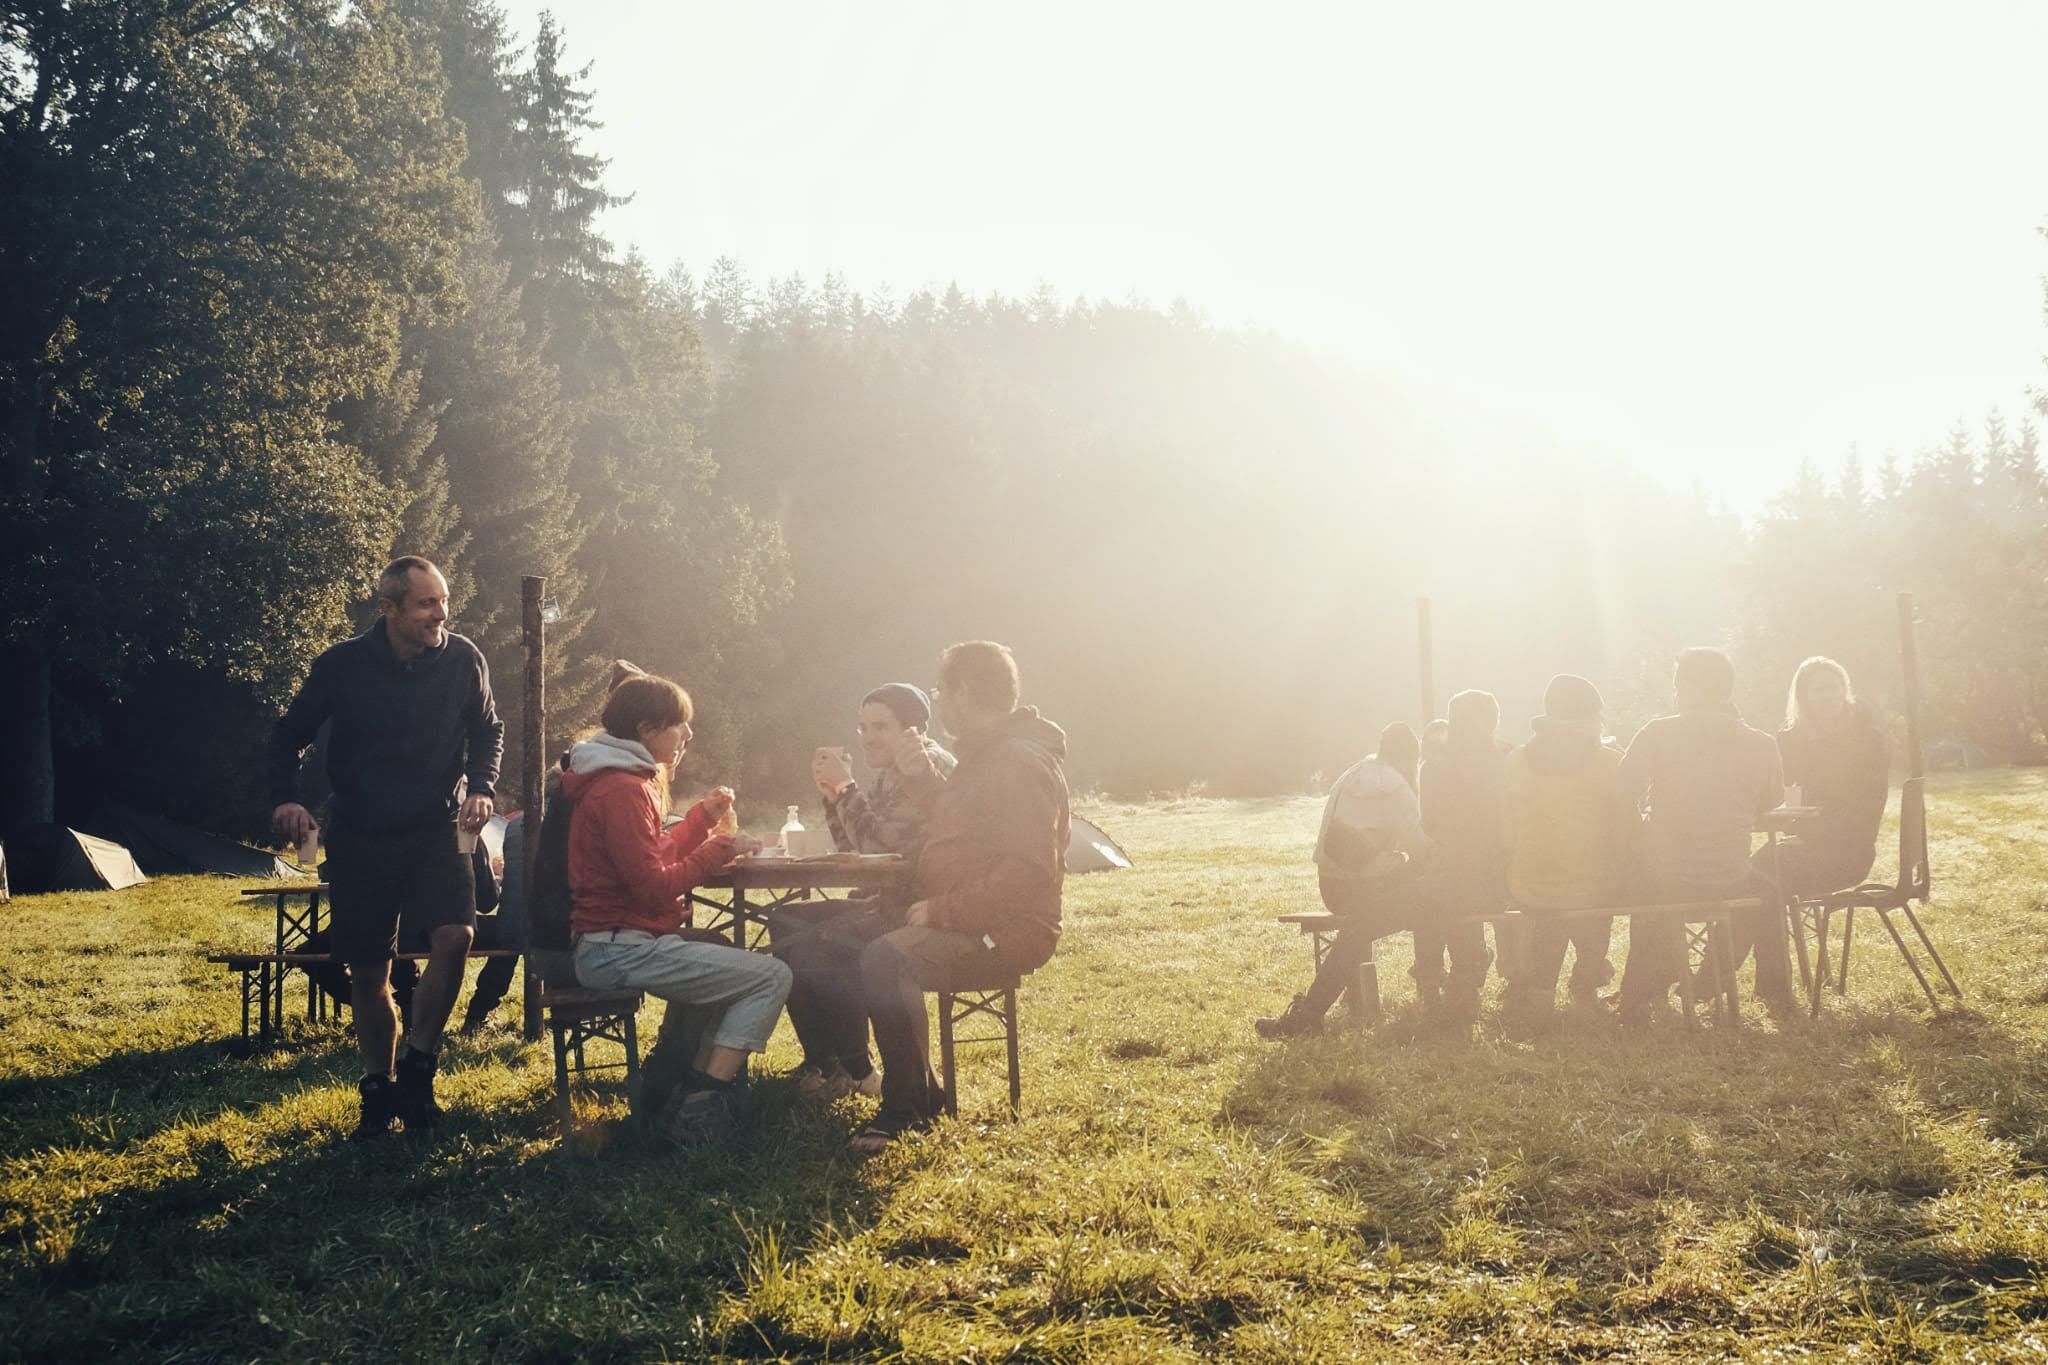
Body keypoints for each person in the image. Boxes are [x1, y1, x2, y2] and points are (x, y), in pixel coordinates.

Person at [268, 555, 503, 1140]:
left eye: (443, 601)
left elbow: (488, 729)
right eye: (426, 603)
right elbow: (286, 735)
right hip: (361, 832)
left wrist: (481, 787)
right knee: (368, 969)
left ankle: (419, 1067)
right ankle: (378, 1085)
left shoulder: (464, 658)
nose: (440, 614)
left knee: (457, 936)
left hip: (439, 827)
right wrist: (285, 799)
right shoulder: (342, 665)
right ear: (389, 607)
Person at [847, 641, 1070, 1153]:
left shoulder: (1016, 762)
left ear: (963, 693)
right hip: (969, 918)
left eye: (940, 690)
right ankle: (855, 1073)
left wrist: (945, 910)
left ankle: (906, 1111)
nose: (938, 701)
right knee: (835, 937)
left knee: (887, 958)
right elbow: (964, 830)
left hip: (1009, 932)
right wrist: (925, 784)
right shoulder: (984, 756)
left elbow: (1029, 870)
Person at [564, 672, 790, 1144]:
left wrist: (701, 821)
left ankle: (669, 1086)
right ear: (647, 729)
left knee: (721, 951)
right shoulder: (623, 789)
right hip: (616, 948)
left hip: (612, 940)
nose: (687, 735)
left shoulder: (617, 779)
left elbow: (648, 856)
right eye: (679, 725)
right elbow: (651, 887)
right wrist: (716, 851)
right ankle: (703, 1100)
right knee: (771, 976)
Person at [777, 683, 958, 1101]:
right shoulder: (887, 775)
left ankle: (858, 1069)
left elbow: (880, 853)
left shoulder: (924, 769)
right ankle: (826, 1064)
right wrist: (833, 800)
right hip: (886, 897)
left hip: (917, 905)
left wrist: (847, 790)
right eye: (862, 727)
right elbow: (855, 849)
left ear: (913, 730)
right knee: (787, 920)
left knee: (812, 948)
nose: (867, 737)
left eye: (880, 727)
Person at [1615, 647, 1785, 1020]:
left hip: (1665, 881)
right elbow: (1770, 807)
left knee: (1642, 876)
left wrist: (1642, 829)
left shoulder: (1657, 732)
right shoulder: (1762, 744)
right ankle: (1723, 976)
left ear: (1689, 689)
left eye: (1678, 686)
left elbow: (1620, 792)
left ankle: (1643, 992)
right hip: (1730, 879)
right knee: (1768, 882)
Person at [1255, 722, 1432, 1038]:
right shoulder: (1399, 789)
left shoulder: (1352, 775)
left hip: (1331, 886)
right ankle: (1434, 988)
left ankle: (1328, 1007)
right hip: (1365, 890)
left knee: (1362, 925)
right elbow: (1418, 847)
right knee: (1400, 908)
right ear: (1411, 758)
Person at [1500, 674, 1631, 1023]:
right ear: (1591, 717)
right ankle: (1588, 979)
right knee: (1600, 889)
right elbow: (1625, 828)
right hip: (1593, 889)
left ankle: (1541, 989)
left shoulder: (1515, 762)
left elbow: (1505, 828)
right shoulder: (1608, 761)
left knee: (1547, 911)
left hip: (1530, 886)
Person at [1762, 657, 1890, 896]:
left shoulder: (1868, 739)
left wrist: (1812, 837)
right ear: (1804, 697)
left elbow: (1868, 807)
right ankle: (1760, 934)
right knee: (1748, 875)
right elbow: (1788, 796)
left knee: (1757, 879)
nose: (1828, 695)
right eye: (1819, 689)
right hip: (1802, 845)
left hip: (1848, 852)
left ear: (1845, 690)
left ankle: (1754, 935)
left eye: (1834, 686)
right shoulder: (1791, 740)